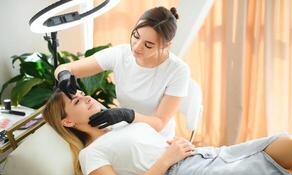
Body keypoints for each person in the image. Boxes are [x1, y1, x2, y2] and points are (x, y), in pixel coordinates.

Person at [43, 90, 292, 175]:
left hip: (206, 154)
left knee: (289, 144)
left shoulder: (118, 124)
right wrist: (167, 158)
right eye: (75, 102)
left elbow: (155, 125)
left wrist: (125, 114)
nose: (84, 97)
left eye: (80, 94)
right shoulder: (91, 154)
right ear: (67, 122)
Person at [54, 6, 190, 139]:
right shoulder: (121, 54)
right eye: (136, 36)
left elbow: (159, 123)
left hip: (156, 138)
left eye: (148, 45)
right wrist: (64, 76)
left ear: (166, 45)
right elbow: (65, 68)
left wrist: (128, 115)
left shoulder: (178, 71)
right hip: (125, 132)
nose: (136, 47)